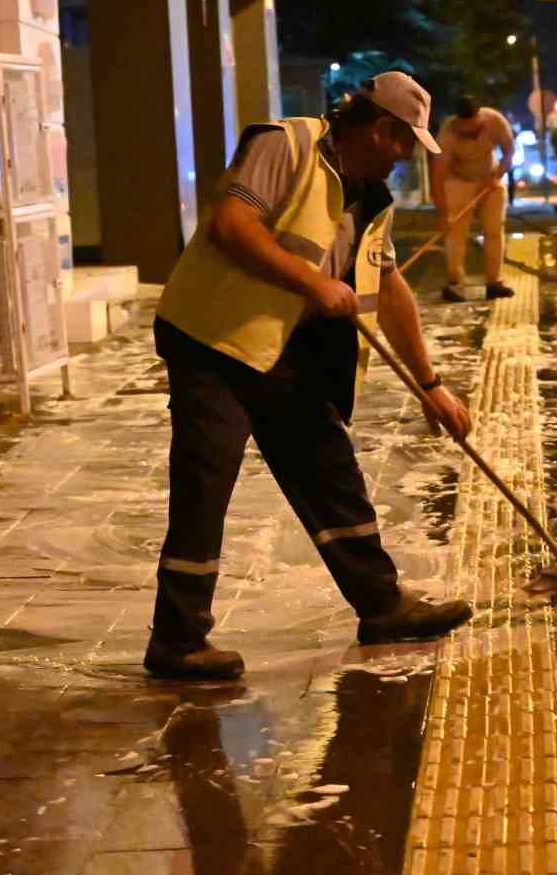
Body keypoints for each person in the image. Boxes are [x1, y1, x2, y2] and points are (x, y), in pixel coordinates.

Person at [146, 72, 476, 680]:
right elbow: (232, 228)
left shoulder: (371, 197)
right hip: (213, 339)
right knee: (205, 479)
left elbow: (390, 285)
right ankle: (177, 640)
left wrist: (431, 385)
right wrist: (314, 283)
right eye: (405, 144)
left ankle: (381, 606)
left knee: (328, 467)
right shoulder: (285, 145)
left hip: (284, 349)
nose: (406, 159)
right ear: (380, 130)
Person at [431, 96, 516, 303]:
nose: (469, 133)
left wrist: (495, 177)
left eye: (473, 128)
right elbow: (438, 175)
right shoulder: (447, 133)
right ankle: (455, 283)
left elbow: (509, 151)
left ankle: (494, 282)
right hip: (458, 180)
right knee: (456, 233)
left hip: (490, 177)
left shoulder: (495, 121)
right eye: (464, 129)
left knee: (494, 230)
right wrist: (443, 214)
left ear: (480, 117)